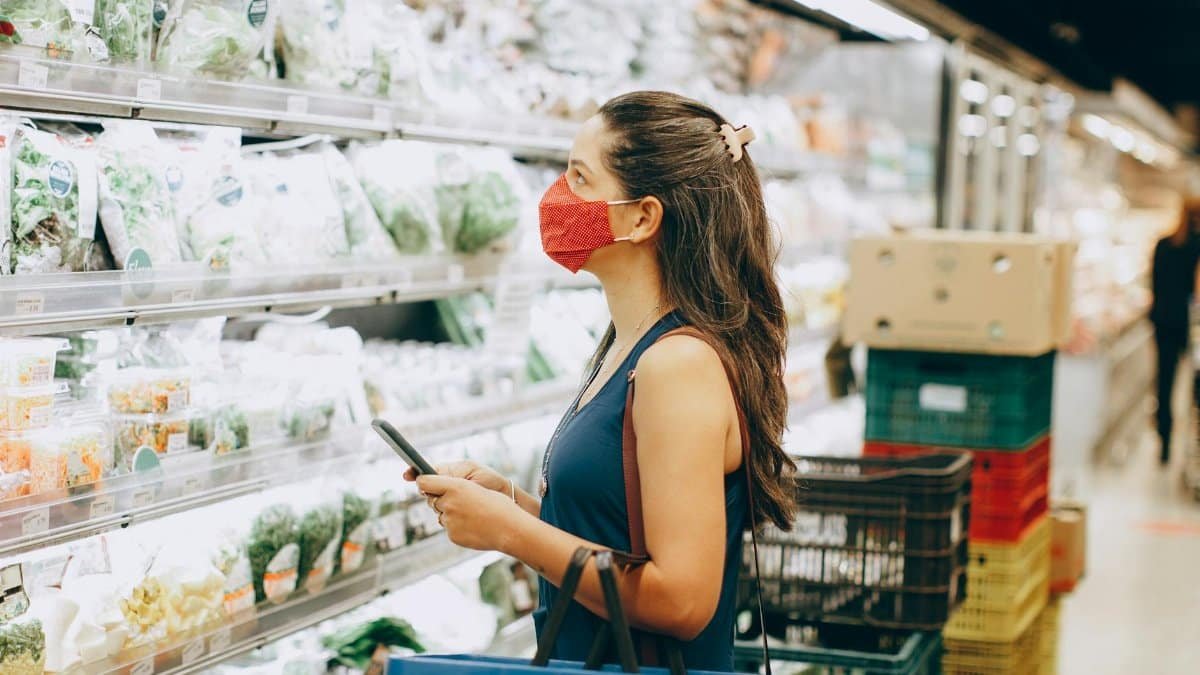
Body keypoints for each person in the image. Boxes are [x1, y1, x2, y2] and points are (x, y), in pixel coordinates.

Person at [406, 91, 796, 671]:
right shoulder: (627, 344)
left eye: (579, 179)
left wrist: (511, 532)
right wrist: (508, 504)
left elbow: (681, 599)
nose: (556, 197)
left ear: (642, 217)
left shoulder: (676, 365)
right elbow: (618, 545)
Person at [1149, 198, 1200, 465]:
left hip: (1163, 323)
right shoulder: (1196, 248)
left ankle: (1164, 441)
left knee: (1165, 383)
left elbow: (1153, 284)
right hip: (1189, 325)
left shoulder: (1164, 244)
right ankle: (1192, 441)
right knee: (1194, 384)